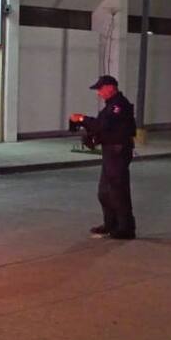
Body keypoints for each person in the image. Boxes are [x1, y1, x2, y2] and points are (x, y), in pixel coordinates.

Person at [70, 75, 137, 239]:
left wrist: (82, 119)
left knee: (118, 190)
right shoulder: (110, 106)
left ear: (110, 87)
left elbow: (104, 125)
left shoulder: (119, 106)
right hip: (110, 151)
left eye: (100, 89)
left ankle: (125, 228)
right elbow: (101, 126)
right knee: (104, 192)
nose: (99, 93)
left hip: (118, 152)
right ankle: (110, 224)